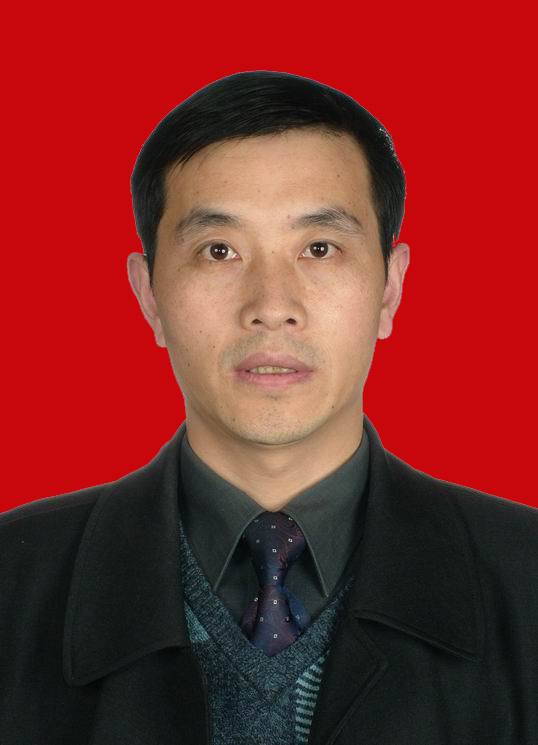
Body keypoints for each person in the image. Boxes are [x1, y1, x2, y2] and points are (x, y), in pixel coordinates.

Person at [0, 71, 536, 745]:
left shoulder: (527, 579)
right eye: (219, 251)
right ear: (149, 296)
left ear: (390, 289)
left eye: (319, 248)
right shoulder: (13, 581)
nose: (272, 305)